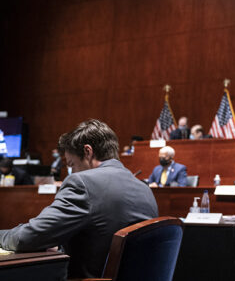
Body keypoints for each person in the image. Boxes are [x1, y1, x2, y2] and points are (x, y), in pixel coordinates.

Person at [0, 119, 158, 278]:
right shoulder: (144, 188)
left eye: (72, 164)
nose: (72, 172)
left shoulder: (83, 183)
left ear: (88, 152)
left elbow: (27, 238)